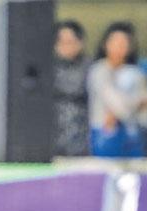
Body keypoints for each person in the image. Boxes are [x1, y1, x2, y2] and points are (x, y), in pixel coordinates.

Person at [87, 22, 147, 158]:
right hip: (104, 133)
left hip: (133, 135)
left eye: (124, 42)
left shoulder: (137, 72)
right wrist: (137, 103)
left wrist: (136, 105)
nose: (119, 46)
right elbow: (116, 104)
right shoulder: (98, 70)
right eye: (115, 42)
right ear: (105, 44)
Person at [52, 20, 91, 157]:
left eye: (70, 42)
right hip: (52, 138)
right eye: (61, 42)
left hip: (82, 137)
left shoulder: (90, 67)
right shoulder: (46, 67)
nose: (65, 47)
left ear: (80, 43)